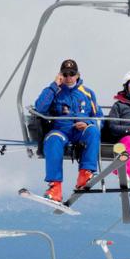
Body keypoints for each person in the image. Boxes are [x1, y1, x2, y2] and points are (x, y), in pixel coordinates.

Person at [33, 58, 101, 202]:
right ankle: (55, 187)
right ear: (60, 75)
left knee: (93, 131)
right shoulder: (53, 91)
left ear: (78, 75)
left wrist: (87, 122)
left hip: (80, 131)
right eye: (65, 74)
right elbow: (40, 108)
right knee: (53, 140)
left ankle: (85, 174)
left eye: (72, 73)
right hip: (61, 130)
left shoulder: (88, 93)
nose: (69, 77)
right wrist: (54, 86)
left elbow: (99, 118)